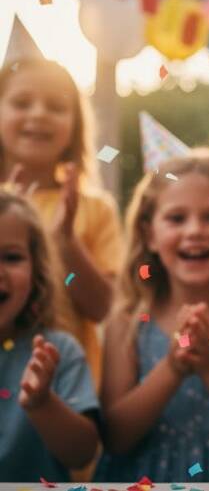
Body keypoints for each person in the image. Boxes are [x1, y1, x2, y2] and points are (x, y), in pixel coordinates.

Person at [95, 152, 209, 482]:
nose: (195, 231)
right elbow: (115, 438)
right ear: (149, 233)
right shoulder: (125, 321)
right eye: (176, 218)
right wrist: (172, 368)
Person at [0, 59, 123, 385]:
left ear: (75, 126)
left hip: (67, 388)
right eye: (21, 103)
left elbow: (103, 309)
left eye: (56, 106)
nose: (38, 113)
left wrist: (65, 243)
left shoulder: (95, 208)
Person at [0, 190, 100, 482]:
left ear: (38, 270)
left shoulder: (56, 351)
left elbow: (82, 453)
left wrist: (42, 403)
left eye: (11, 257)